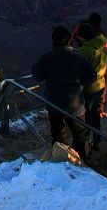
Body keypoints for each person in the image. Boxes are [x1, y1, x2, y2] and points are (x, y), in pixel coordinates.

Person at [32, 25, 96, 160]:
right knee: (80, 136)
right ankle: (83, 163)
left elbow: (37, 76)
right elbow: (91, 79)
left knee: (58, 135)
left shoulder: (46, 59)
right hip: (76, 106)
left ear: (53, 41)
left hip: (54, 105)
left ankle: (61, 162)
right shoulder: (80, 59)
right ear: (70, 41)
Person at [76, 23, 107, 149]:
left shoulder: (84, 51)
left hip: (89, 88)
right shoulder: (102, 45)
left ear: (82, 37)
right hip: (101, 85)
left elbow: (78, 69)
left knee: (87, 116)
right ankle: (97, 140)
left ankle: (87, 144)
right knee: (95, 114)